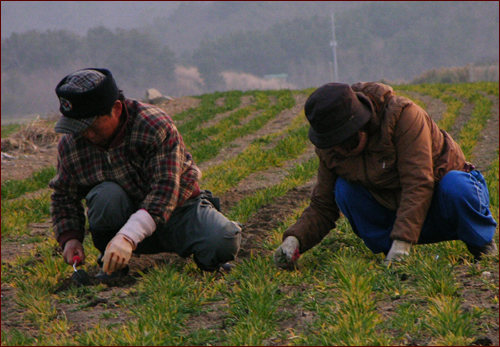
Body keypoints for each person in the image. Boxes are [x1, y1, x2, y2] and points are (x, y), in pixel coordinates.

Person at [274, 82, 498, 269]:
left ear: (360, 126)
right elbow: (323, 205)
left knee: (456, 185)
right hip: (393, 208)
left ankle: (480, 243)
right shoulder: (330, 148)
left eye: (345, 141)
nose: (340, 150)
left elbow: (418, 182)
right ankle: (390, 253)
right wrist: (295, 240)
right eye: (333, 144)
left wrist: (403, 242)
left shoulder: (403, 117)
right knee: (343, 190)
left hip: (441, 202)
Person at [50, 68, 242, 278]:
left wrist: (128, 237)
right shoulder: (72, 142)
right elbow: (63, 195)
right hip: (121, 215)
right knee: (106, 196)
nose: (86, 134)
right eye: (77, 127)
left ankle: (207, 256)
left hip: (177, 212)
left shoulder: (153, 125)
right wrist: (70, 239)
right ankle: (112, 264)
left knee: (224, 240)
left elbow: (165, 191)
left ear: (116, 108)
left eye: (91, 125)